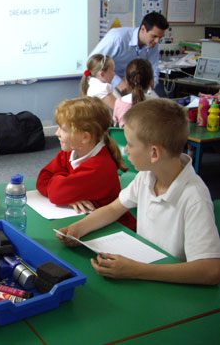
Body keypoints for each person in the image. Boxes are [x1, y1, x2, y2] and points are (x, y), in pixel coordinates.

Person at [56, 98, 220, 285]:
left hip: (169, 286)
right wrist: (78, 228)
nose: (125, 149)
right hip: (146, 272)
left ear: (154, 153)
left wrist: (137, 270)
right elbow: (113, 209)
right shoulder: (146, 176)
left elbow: (211, 270)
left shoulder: (194, 196)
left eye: (130, 144)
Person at [36, 97, 135, 230]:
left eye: (63, 129)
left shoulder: (99, 167)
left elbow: (56, 193)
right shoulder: (71, 151)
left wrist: (63, 186)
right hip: (87, 221)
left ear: (85, 137)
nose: (56, 133)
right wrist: (70, 196)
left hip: (115, 230)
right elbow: (42, 178)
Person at [89, 12, 169, 93]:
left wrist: (150, 86)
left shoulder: (153, 44)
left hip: (132, 86)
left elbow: (154, 69)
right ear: (143, 29)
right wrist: (117, 82)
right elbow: (93, 62)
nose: (157, 41)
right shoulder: (117, 37)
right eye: (154, 36)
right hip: (108, 83)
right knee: (120, 104)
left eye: (160, 37)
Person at [113, 58, 157, 127]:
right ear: (151, 82)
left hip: (123, 138)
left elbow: (116, 126)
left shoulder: (119, 102)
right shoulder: (157, 104)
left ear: (127, 82)